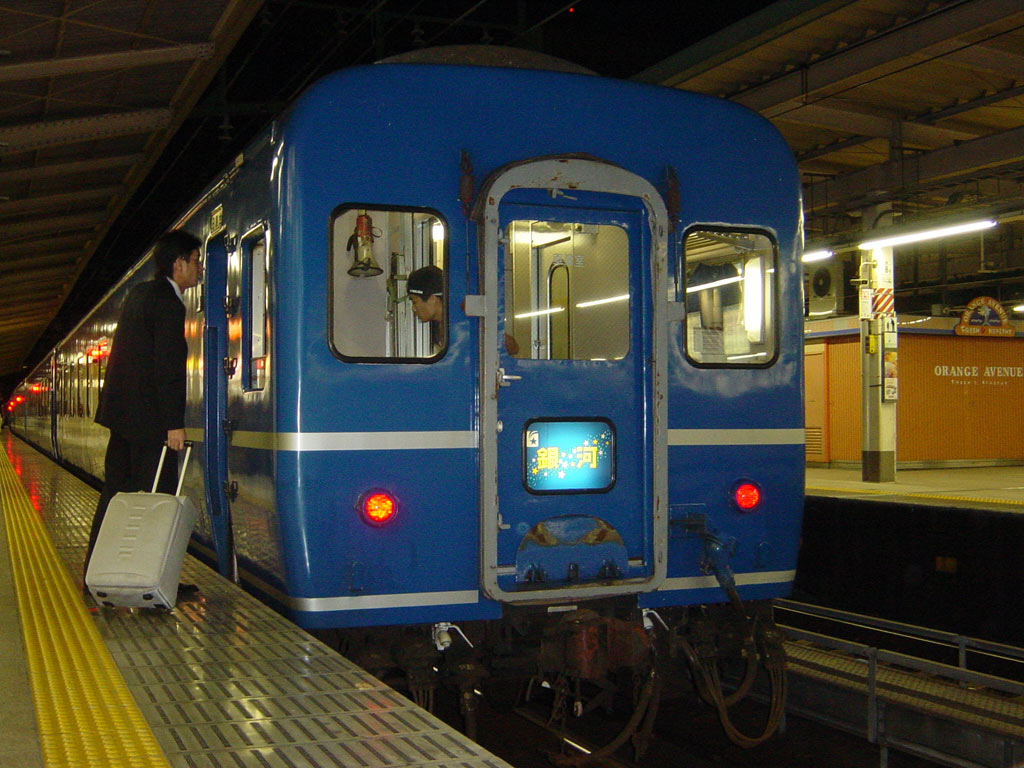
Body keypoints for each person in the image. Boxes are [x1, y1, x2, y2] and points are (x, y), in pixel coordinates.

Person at [83, 229, 203, 587]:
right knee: (158, 497)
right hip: (149, 421)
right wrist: (174, 424)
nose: (199, 270)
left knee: (115, 496)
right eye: (196, 262)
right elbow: (165, 368)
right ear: (178, 264)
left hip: (122, 418)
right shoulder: (168, 303)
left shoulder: (138, 295)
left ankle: (96, 573)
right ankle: (152, 578)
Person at [407, 264, 445, 351]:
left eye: (415, 301)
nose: (413, 309)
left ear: (432, 299)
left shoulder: (458, 328)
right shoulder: (435, 330)